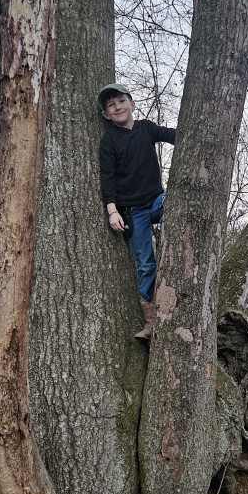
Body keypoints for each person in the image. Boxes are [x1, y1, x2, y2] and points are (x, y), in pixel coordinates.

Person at [98, 82, 176, 339]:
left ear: (132, 104)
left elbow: (173, 135)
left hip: (157, 201)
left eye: (121, 101)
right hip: (133, 211)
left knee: (175, 206)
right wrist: (113, 211)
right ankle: (151, 321)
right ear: (106, 115)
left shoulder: (146, 128)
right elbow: (107, 178)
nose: (117, 107)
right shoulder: (109, 140)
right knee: (145, 264)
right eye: (111, 105)